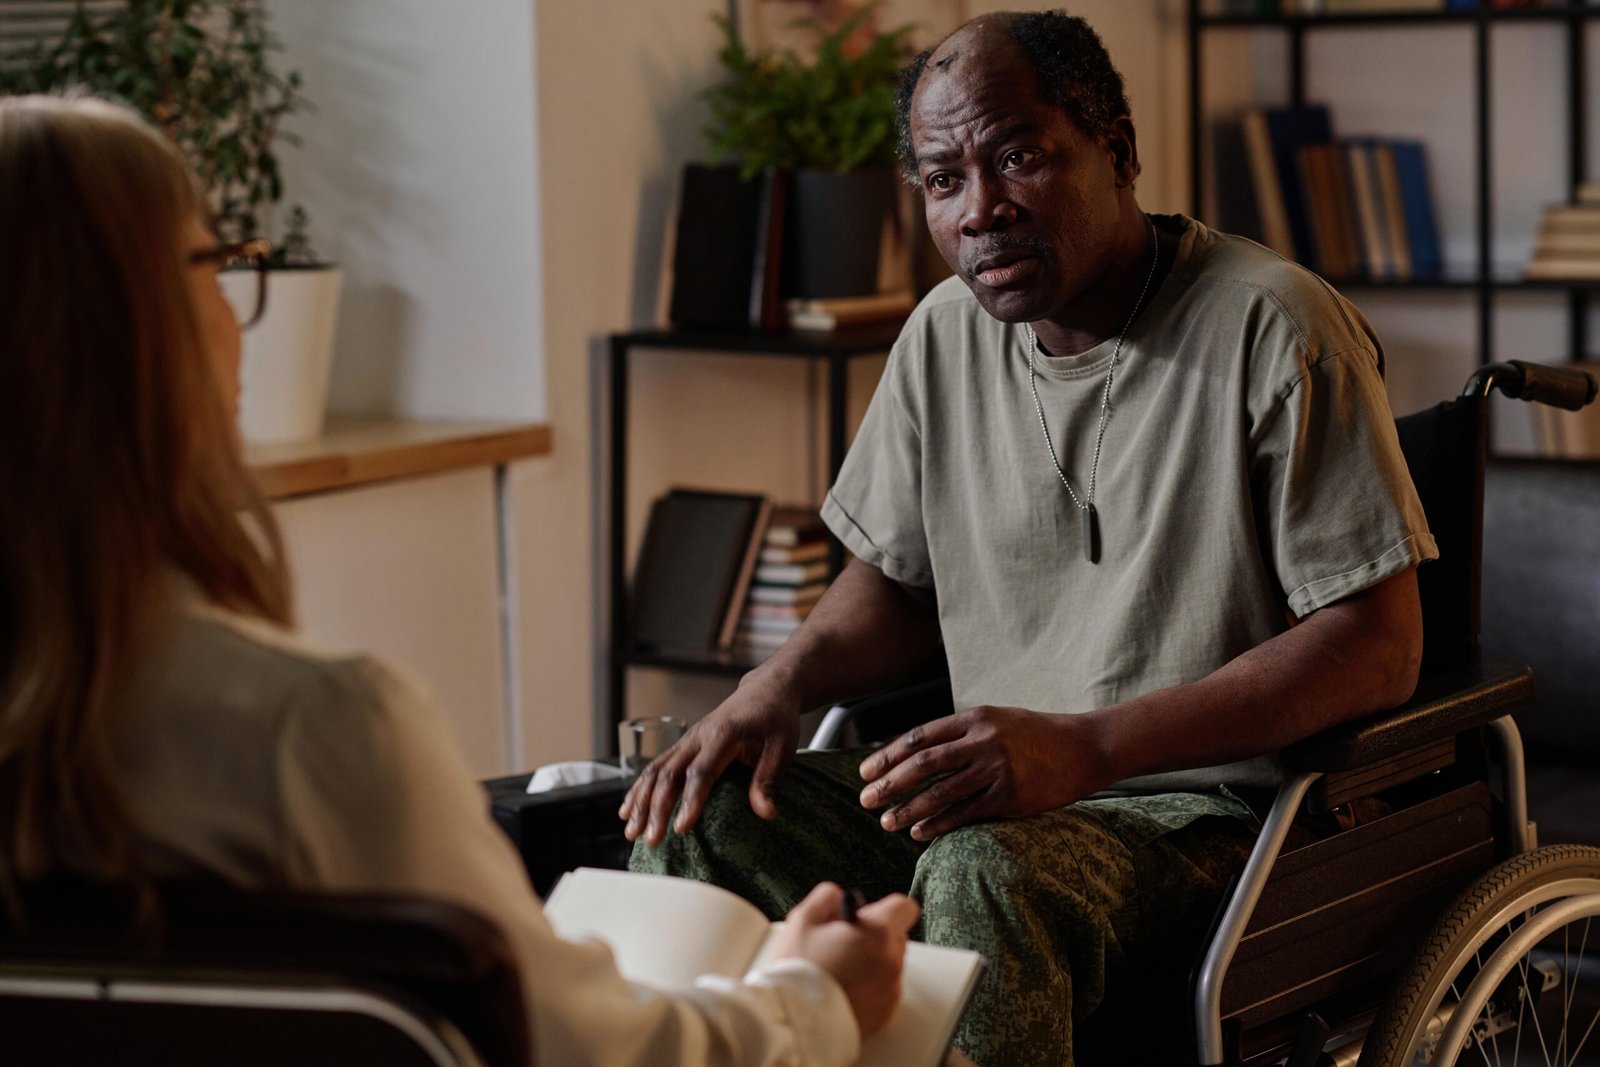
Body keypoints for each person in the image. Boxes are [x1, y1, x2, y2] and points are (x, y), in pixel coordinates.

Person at [0, 93, 921, 1066]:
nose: (236, 314)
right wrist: (811, 993)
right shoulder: (312, 731)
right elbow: (581, 1051)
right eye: (214, 264)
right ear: (131, 326)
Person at [621, 10, 1435, 1066]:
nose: (981, 210)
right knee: (698, 815)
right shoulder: (940, 337)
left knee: (982, 870)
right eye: (943, 179)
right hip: (991, 796)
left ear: (1118, 151)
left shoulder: (1272, 325)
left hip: (1213, 817)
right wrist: (774, 687)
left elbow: (1379, 645)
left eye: (1018, 158)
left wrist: (1087, 747)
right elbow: (895, 590)